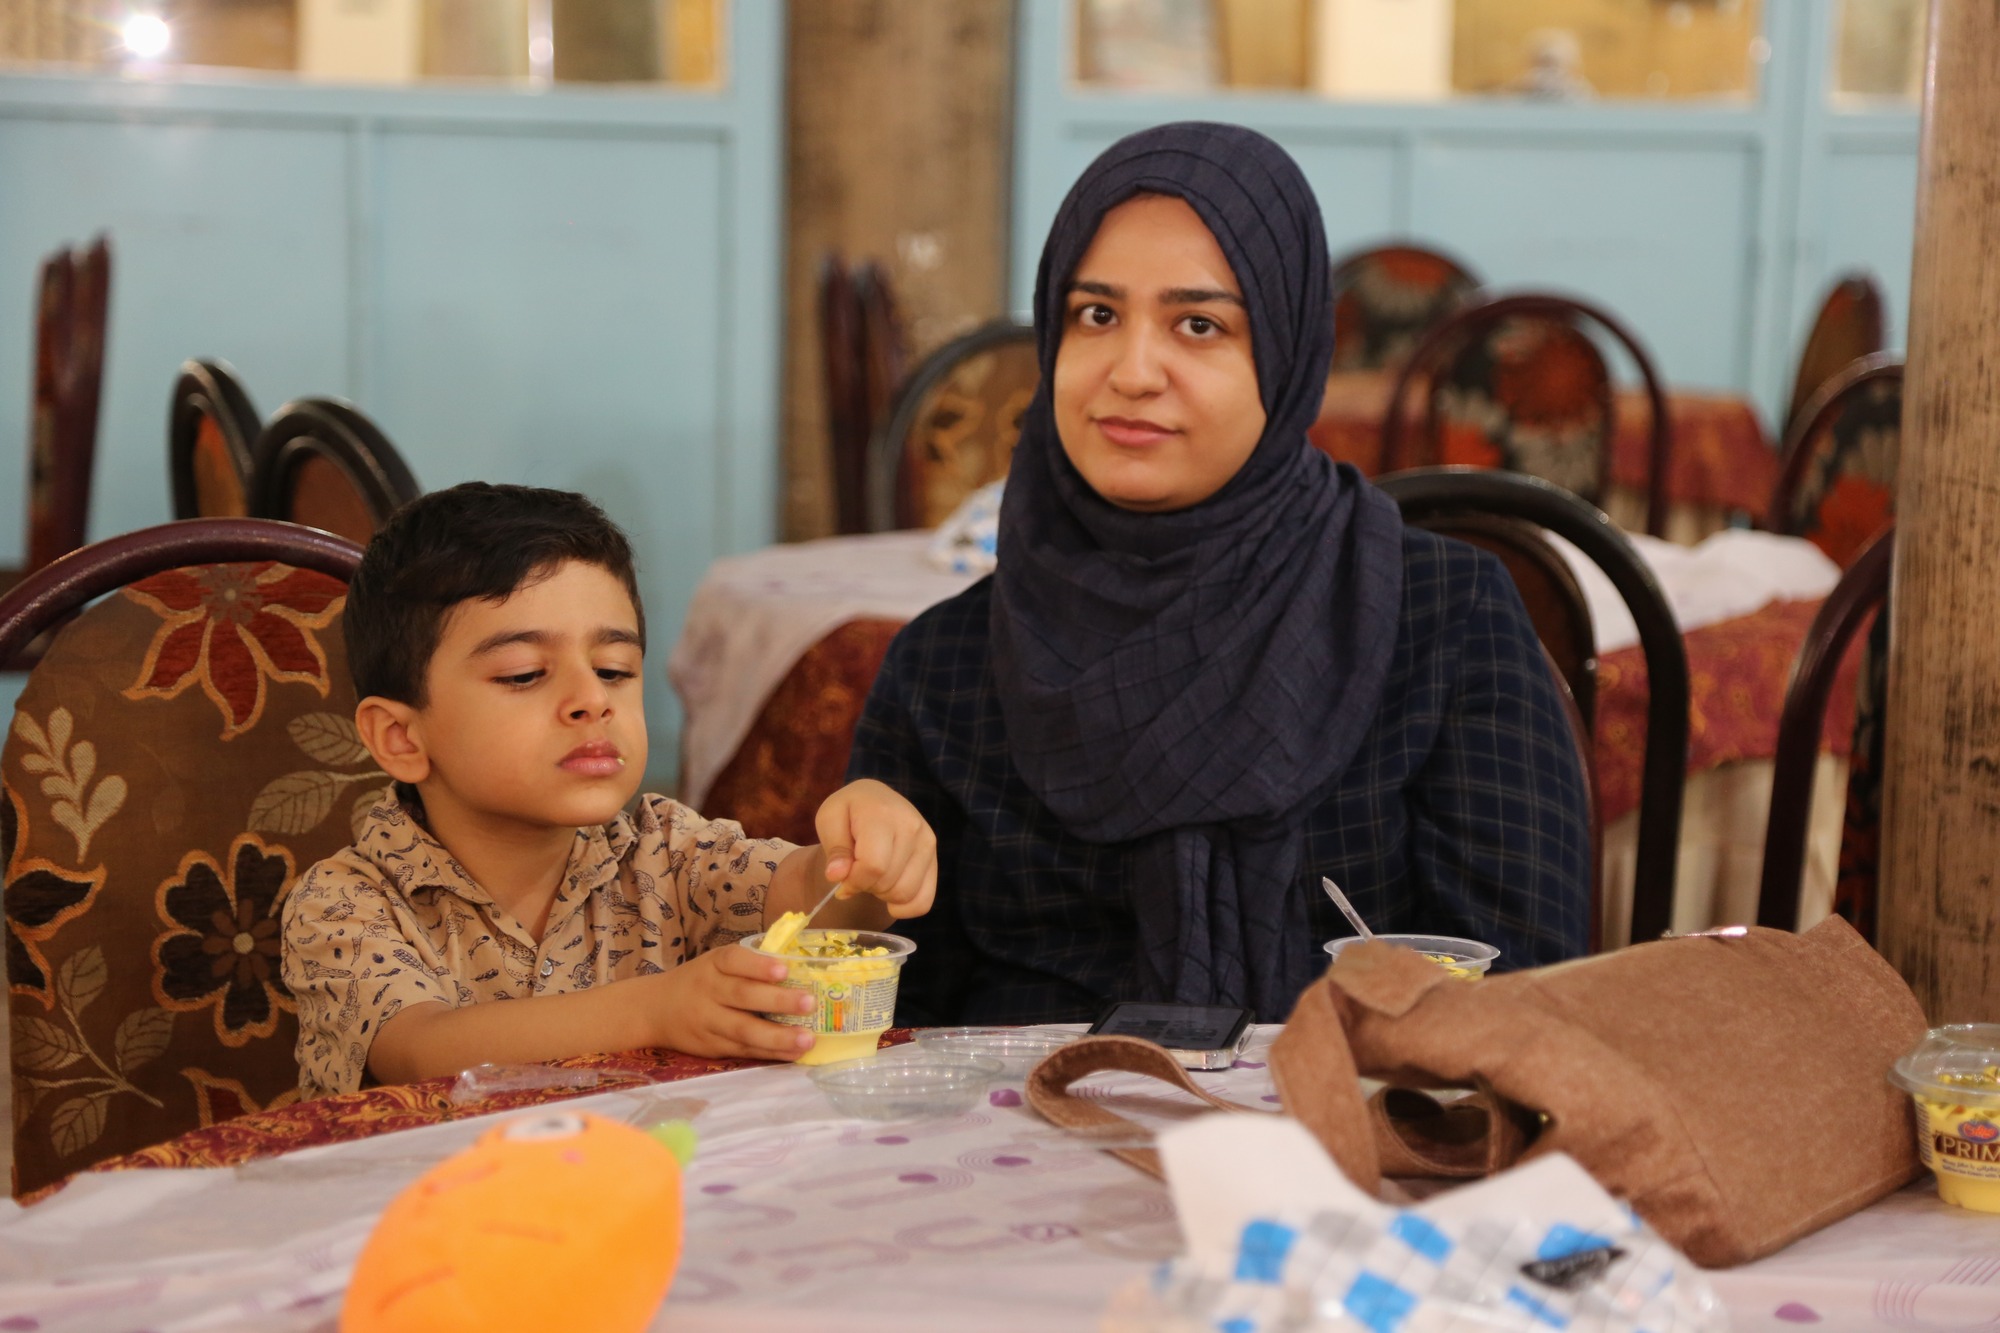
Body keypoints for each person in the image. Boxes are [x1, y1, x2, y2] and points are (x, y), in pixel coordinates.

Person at [846, 122, 1590, 1027]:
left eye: (1198, 325)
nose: (1133, 372)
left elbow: (1528, 997)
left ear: (1284, 350)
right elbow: (886, 1024)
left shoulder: (1436, 619)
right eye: (1096, 315)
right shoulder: (947, 668)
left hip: (1356, 1114)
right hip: (1015, 1118)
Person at [281, 483, 936, 1099]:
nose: (592, 699)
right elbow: (421, 1050)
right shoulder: (346, 901)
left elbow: (815, 901)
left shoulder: (667, 853)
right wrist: (656, 1009)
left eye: (614, 669)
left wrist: (867, 856)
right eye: (524, 674)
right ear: (401, 736)